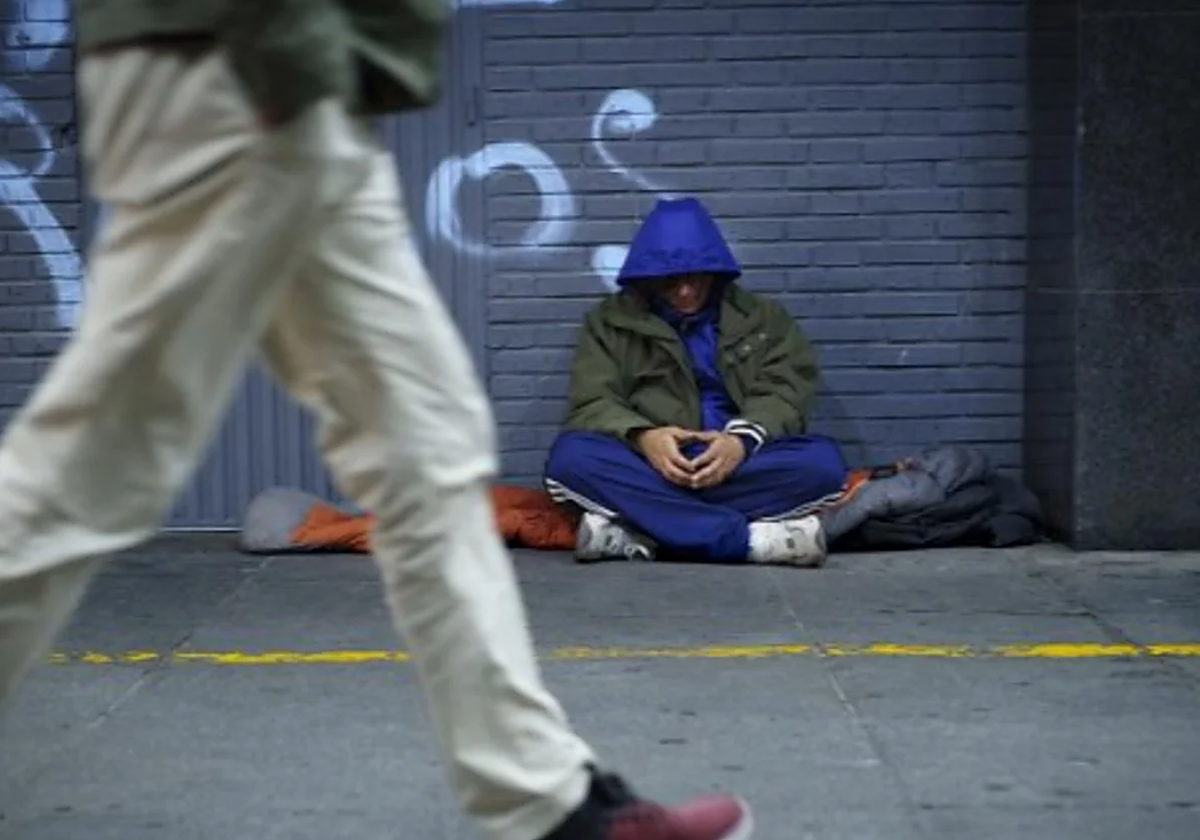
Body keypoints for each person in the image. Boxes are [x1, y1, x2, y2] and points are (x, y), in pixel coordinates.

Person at [0, 4, 753, 840]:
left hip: (300, 85)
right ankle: (547, 800)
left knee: (428, 448)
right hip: (238, 69)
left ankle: (549, 801)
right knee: (110, 450)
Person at [544, 198, 848, 566]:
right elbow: (593, 400)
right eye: (670, 281)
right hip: (650, 464)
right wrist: (645, 438)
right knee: (570, 460)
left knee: (822, 465)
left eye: (696, 278)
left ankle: (644, 529)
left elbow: (786, 389)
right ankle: (750, 541)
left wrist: (741, 441)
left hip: (740, 464)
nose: (685, 292)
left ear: (715, 271)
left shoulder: (763, 318)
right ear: (648, 278)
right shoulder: (609, 322)